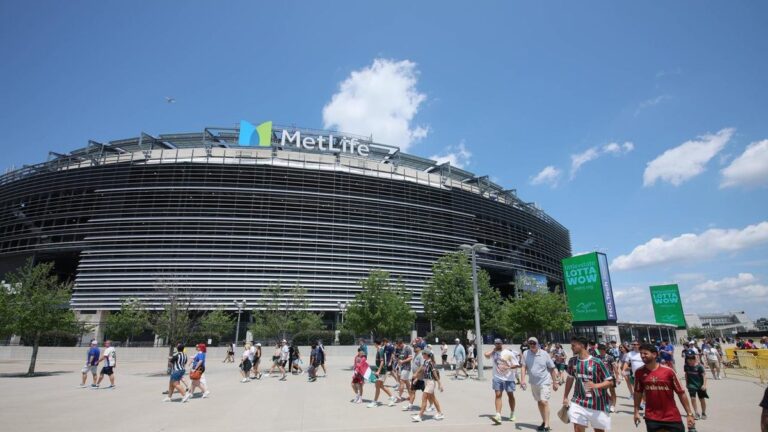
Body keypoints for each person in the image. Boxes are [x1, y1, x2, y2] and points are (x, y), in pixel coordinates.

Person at [634, 343, 696, 432]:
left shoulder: (668, 371)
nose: (642, 356)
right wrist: (636, 412)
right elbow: (637, 393)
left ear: (654, 354)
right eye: (641, 354)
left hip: (671, 417)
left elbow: (681, 392)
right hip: (652, 417)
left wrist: (689, 414)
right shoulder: (639, 372)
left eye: (645, 353)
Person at [562, 336, 613, 432]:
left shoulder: (597, 362)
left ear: (582, 345)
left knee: (599, 430)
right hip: (578, 401)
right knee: (577, 429)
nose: (571, 347)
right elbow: (570, 378)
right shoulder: (572, 361)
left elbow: (609, 381)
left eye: (573, 345)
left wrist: (595, 386)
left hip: (597, 402)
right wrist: (565, 396)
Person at [521, 337, 559, 431]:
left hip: (544, 381)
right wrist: (522, 380)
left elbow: (551, 368)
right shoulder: (526, 353)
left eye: (534, 343)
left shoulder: (544, 354)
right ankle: (544, 421)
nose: (532, 345)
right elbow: (523, 367)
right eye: (530, 343)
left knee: (544, 401)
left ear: (537, 344)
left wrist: (555, 382)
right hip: (533, 382)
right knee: (539, 402)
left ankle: (547, 425)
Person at [484, 338, 520, 425]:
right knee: (498, 395)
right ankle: (498, 415)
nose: (498, 345)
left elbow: (516, 365)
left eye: (499, 343)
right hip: (497, 377)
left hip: (508, 378)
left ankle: (512, 413)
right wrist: (493, 351)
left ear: (502, 343)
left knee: (510, 395)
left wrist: (508, 367)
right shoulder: (494, 353)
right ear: (494, 344)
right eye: (496, 343)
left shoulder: (508, 353)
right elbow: (486, 355)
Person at [411, 349, 445, 422]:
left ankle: (420, 416)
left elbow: (435, 373)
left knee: (424, 397)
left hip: (430, 382)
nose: (422, 355)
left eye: (423, 354)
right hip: (426, 382)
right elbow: (422, 370)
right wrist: (416, 376)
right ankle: (440, 413)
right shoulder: (426, 362)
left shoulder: (430, 363)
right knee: (433, 399)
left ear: (426, 354)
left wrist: (439, 383)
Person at [368, 340, 396, 407]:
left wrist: (378, 371)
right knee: (380, 386)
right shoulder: (380, 350)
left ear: (375, 344)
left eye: (374, 344)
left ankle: (375, 402)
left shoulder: (380, 350)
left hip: (382, 372)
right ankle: (392, 397)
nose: (373, 345)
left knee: (378, 386)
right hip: (381, 371)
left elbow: (382, 362)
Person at [683, 353, 708, 420]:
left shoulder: (699, 367)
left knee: (702, 399)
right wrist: (686, 383)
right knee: (693, 398)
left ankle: (703, 413)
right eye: (688, 360)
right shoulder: (686, 366)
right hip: (691, 385)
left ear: (694, 360)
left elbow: (704, 376)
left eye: (691, 360)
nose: (689, 361)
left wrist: (704, 385)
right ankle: (696, 413)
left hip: (700, 385)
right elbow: (686, 374)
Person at [621, 341, 645, 407]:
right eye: (634, 344)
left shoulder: (643, 352)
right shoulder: (630, 354)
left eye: (637, 344)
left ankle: (644, 402)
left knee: (645, 391)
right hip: (635, 376)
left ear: (640, 345)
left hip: (645, 375)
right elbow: (626, 363)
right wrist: (623, 370)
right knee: (638, 391)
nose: (635, 346)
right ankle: (642, 403)